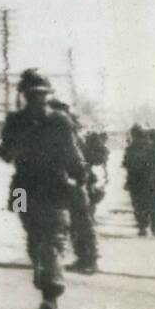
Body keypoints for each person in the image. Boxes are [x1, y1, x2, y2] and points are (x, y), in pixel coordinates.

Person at [0, 69, 88, 309]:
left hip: (42, 186)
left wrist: (80, 175)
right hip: (32, 187)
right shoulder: (22, 121)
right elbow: (6, 155)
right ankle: (47, 284)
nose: (36, 98)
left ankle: (50, 294)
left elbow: (72, 151)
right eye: (33, 94)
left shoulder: (54, 120)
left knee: (51, 238)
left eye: (40, 94)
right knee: (38, 238)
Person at [50, 99, 99, 275]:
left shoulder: (66, 129)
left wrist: (81, 179)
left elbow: (76, 157)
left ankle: (88, 259)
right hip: (69, 181)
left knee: (80, 221)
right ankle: (84, 258)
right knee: (78, 221)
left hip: (72, 181)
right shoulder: (70, 129)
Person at [123, 125, 150, 235]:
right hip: (147, 178)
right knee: (146, 201)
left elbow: (125, 163)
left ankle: (141, 226)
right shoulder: (148, 146)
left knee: (137, 203)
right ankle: (146, 222)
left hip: (134, 179)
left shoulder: (130, 148)